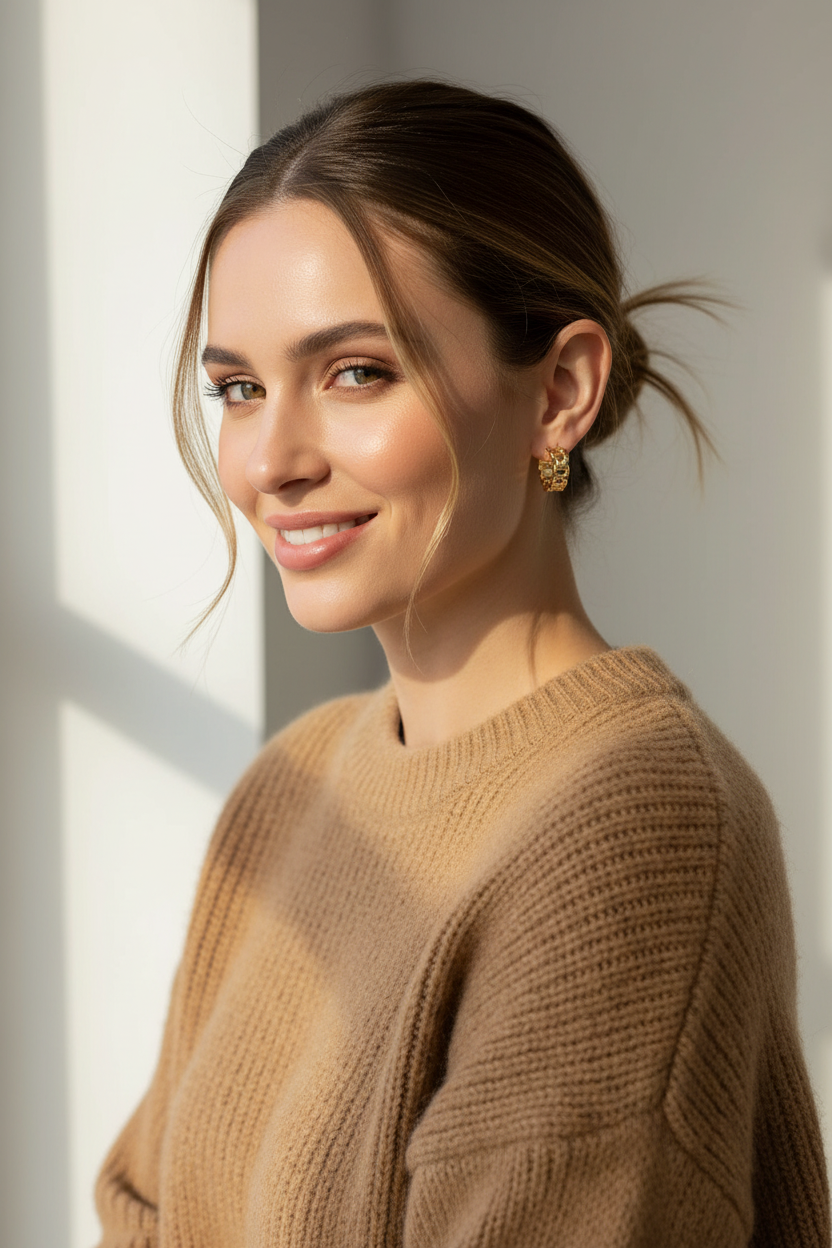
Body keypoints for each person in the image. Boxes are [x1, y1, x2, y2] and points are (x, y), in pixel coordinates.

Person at [94, 80, 830, 1247]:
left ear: (559, 392)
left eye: (355, 373)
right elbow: (140, 1207)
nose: (269, 460)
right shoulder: (290, 789)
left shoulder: (638, 823)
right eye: (237, 389)